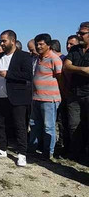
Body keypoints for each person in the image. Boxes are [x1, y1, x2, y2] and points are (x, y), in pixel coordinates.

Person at [0, 30, 32, 167]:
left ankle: (22, 153)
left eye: (4, 41)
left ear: (12, 41)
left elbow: (28, 75)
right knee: (1, 124)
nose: (2, 43)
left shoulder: (23, 56)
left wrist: (8, 74)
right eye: (1, 40)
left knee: (20, 125)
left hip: (18, 96)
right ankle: (1, 148)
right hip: (1, 95)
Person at [28, 34, 63, 159]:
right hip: (36, 97)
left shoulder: (54, 59)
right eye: (37, 44)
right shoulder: (38, 59)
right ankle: (32, 148)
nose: (38, 46)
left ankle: (48, 152)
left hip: (49, 99)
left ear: (48, 45)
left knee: (49, 127)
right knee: (34, 124)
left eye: (41, 44)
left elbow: (60, 79)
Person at [63, 21, 89, 161]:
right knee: (74, 125)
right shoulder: (74, 50)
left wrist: (74, 68)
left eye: (82, 33)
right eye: (78, 32)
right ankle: (76, 154)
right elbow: (66, 67)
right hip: (74, 93)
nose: (79, 35)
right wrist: (83, 70)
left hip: (88, 93)